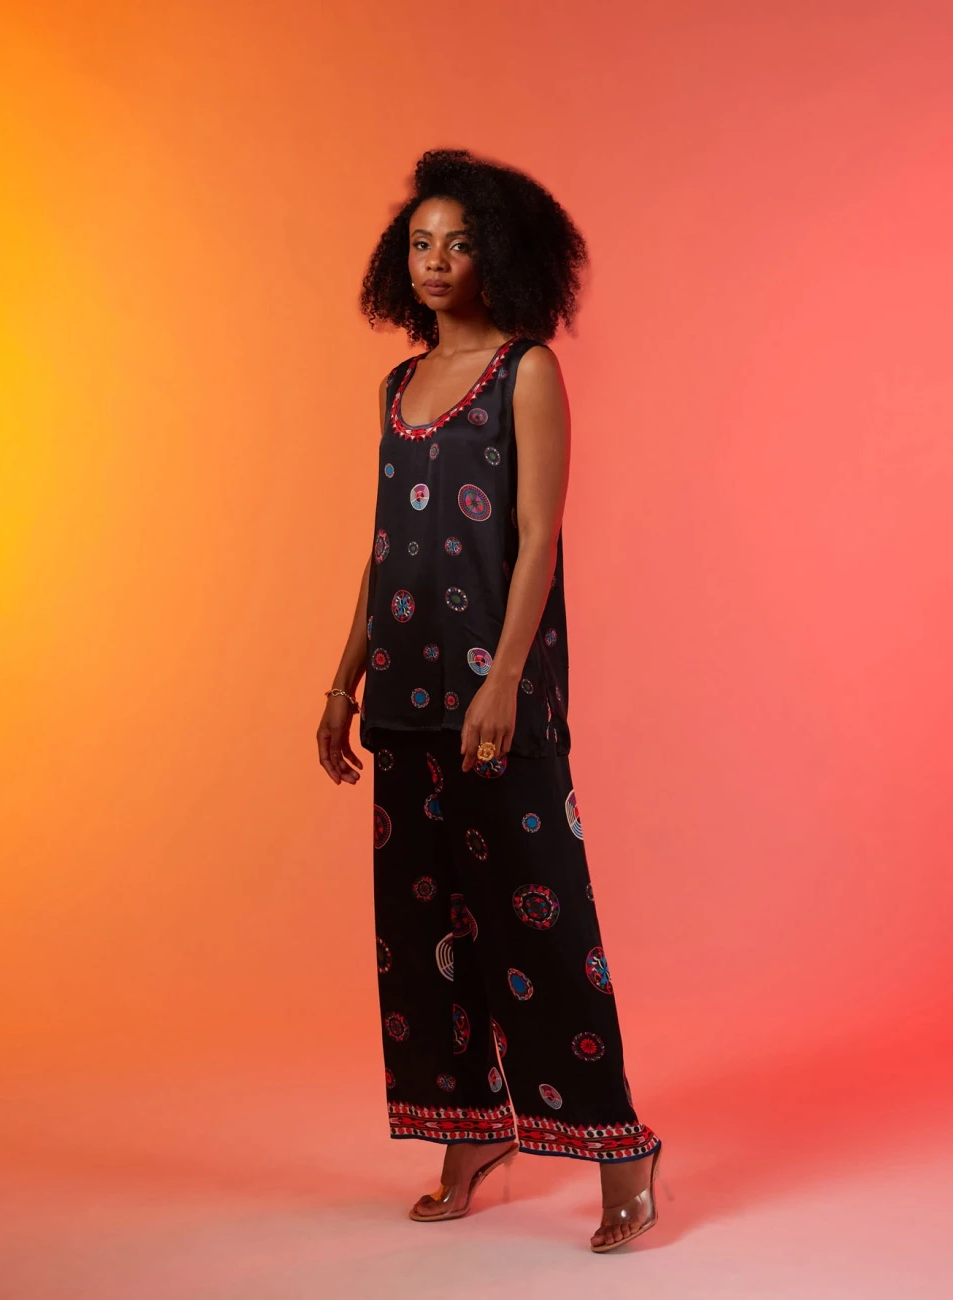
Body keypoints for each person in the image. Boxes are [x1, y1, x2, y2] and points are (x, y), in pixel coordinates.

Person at [318, 147, 665, 1252]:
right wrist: (341, 679)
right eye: (420, 243)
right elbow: (383, 548)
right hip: (402, 694)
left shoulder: (526, 370)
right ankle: (471, 1132)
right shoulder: (395, 386)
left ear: (498, 254)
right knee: (422, 932)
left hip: (493, 693)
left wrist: (505, 678)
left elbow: (536, 536)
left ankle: (619, 1146)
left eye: (458, 243)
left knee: (539, 918)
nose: (435, 261)